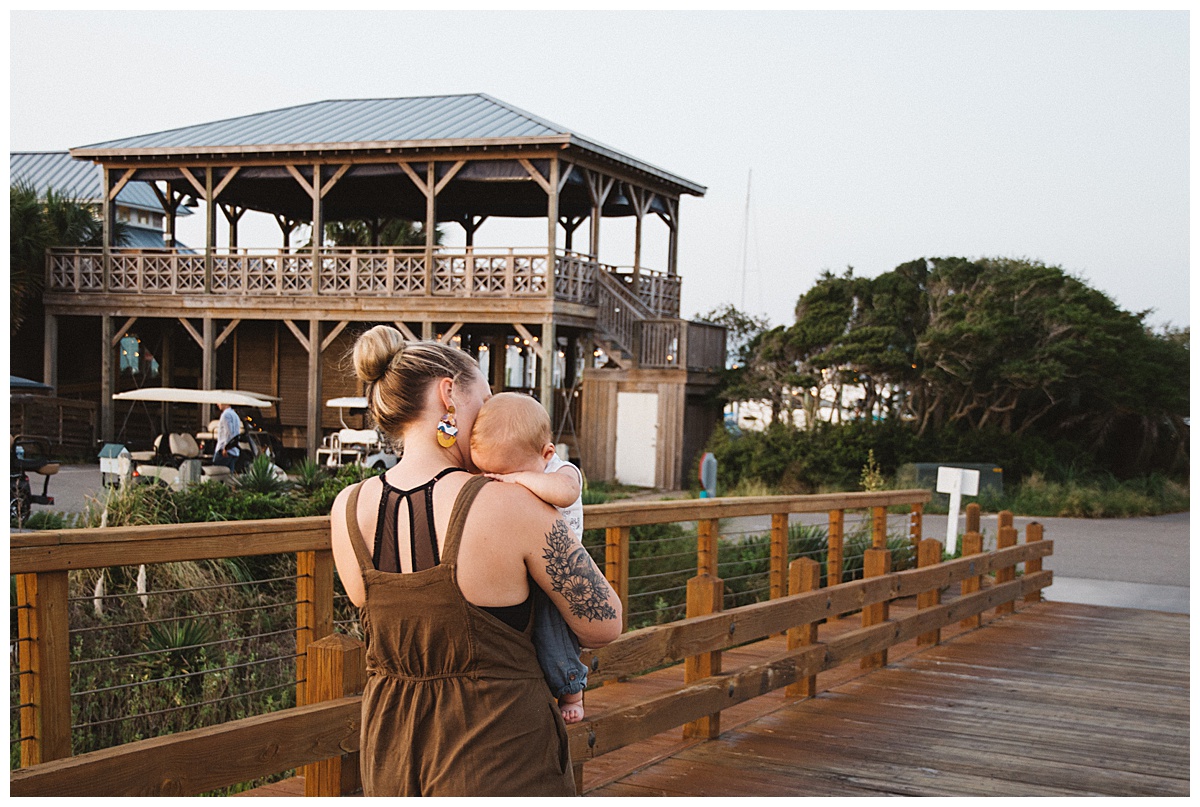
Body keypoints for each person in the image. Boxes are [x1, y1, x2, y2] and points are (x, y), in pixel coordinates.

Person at [329, 325, 622, 797]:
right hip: (501, 754)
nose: (489, 419)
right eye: (483, 405)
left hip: (392, 754)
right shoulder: (509, 502)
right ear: (449, 395)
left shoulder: (346, 508)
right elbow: (603, 622)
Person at [470, 392, 589, 724]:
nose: (504, 481)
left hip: (559, 567)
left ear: (546, 452)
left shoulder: (561, 471)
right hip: (522, 563)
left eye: (511, 472)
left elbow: (565, 493)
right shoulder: (523, 466)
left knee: (553, 632)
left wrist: (518, 480)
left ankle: (572, 688)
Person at [213, 402, 240, 472]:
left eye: (219, 402)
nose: (217, 404)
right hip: (233, 450)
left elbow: (229, 432)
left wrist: (226, 447)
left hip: (225, 450)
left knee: (217, 473)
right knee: (229, 475)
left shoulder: (226, 415)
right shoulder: (235, 414)